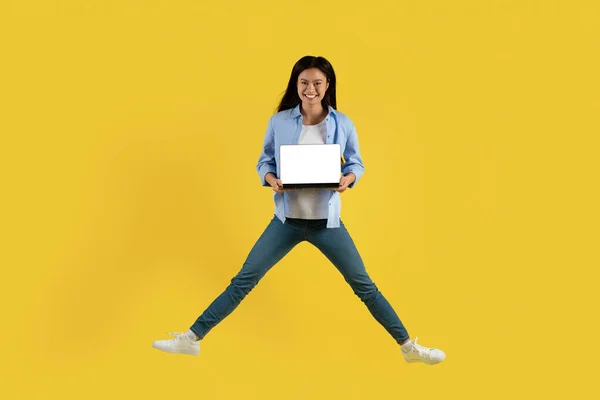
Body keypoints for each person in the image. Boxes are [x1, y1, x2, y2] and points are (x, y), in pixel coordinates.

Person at [152, 56, 446, 365]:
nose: (311, 89)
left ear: (327, 85)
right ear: (296, 84)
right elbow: (265, 161)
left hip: (326, 224)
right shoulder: (279, 121)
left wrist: (349, 177)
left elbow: (356, 162)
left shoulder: (342, 123)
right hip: (287, 221)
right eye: (304, 82)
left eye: (317, 83)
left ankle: (408, 348)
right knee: (243, 280)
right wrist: (270, 178)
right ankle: (191, 338)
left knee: (365, 286)